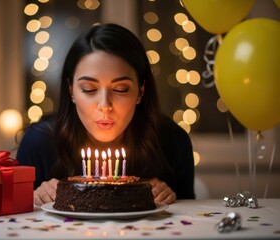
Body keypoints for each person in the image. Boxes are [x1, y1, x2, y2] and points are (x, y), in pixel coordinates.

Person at [16, 23, 195, 206]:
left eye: (121, 89)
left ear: (140, 91)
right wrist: (33, 197)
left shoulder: (172, 142)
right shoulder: (39, 142)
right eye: (89, 89)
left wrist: (170, 197)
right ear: (71, 90)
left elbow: (191, 216)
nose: (105, 105)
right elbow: (14, 218)